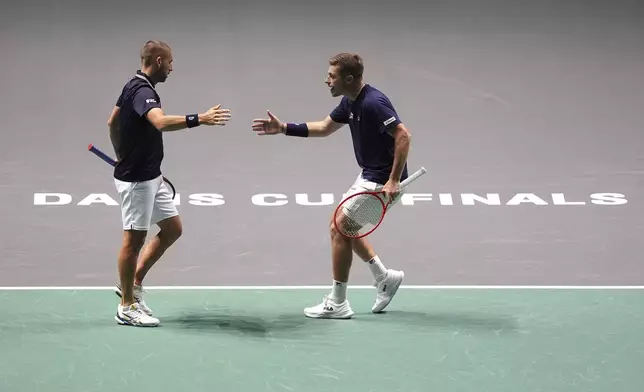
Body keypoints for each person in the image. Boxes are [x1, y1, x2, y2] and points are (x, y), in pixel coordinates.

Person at [252, 52, 410, 319]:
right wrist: (283, 128)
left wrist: (394, 179)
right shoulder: (350, 102)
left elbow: (403, 135)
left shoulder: (373, 103)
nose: (327, 81)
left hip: (382, 181)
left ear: (349, 78)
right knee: (345, 228)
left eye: (331, 76)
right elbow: (324, 127)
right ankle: (384, 277)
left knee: (340, 228)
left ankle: (338, 302)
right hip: (369, 174)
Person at [107, 40, 231, 327]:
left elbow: (112, 121)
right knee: (133, 240)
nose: (173, 68)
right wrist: (199, 119)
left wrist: (120, 153)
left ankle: (134, 284)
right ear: (159, 61)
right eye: (171, 62)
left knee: (173, 228)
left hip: (151, 174)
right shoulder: (142, 92)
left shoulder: (131, 85)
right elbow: (160, 123)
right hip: (137, 179)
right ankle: (126, 306)